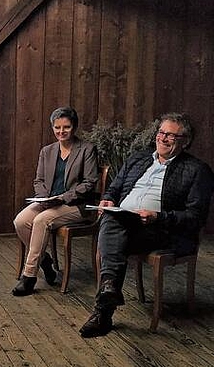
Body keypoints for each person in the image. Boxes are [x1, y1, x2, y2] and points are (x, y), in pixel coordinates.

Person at [80, 112, 214, 337]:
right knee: (112, 217)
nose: (163, 138)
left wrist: (157, 217)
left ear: (185, 141)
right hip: (127, 222)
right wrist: (109, 199)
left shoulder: (198, 170)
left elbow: (195, 217)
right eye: (161, 132)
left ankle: (104, 307)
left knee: (112, 229)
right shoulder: (138, 158)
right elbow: (115, 187)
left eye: (171, 135)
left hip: (163, 231)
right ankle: (108, 295)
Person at [12, 107, 99, 296]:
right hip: (50, 202)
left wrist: (63, 198)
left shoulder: (87, 149)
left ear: (74, 127)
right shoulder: (47, 151)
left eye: (66, 127)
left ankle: (29, 276)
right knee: (20, 221)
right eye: (57, 127)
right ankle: (44, 260)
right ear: (52, 127)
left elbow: (90, 183)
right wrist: (45, 198)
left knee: (41, 221)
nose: (61, 132)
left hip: (76, 205)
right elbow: (39, 180)